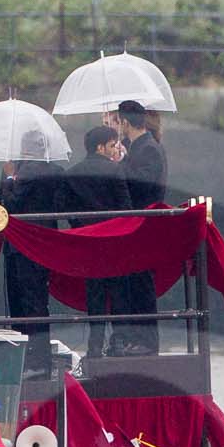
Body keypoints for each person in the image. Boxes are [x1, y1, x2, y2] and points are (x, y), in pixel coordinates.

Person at [0, 133, 66, 374]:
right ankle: (39, 358)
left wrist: (7, 177)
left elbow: (11, 203)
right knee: (37, 302)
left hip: (23, 245)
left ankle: (33, 360)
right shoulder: (56, 171)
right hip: (44, 243)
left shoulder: (25, 173)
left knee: (26, 303)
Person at [62, 125, 132, 359]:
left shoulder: (72, 173)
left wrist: (79, 226)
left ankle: (94, 346)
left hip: (88, 240)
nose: (115, 150)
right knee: (119, 291)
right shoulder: (115, 171)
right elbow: (125, 207)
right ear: (101, 147)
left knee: (95, 294)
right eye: (112, 145)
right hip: (113, 239)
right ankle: (119, 341)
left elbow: (65, 209)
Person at [111, 100, 167, 356]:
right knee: (135, 283)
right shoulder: (138, 148)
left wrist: (121, 167)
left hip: (145, 225)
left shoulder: (149, 149)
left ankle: (147, 342)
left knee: (143, 285)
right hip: (137, 226)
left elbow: (143, 186)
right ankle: (137, 340)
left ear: (124, 122)